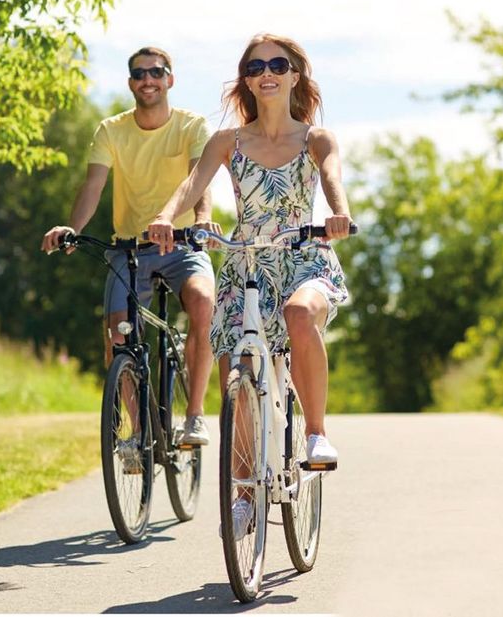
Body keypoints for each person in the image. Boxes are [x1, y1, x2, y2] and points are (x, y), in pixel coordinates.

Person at [147, 33, 353, 466]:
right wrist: (166, 217)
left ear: (295, 76)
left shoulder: (316, 138)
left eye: (277, 66)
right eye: (256, 68)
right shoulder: (228, 141)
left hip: (304, 255)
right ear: (247, 80)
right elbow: (191, 185)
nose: (267, 75)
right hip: (247, 263)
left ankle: (316, 434)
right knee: (238, 366)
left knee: (300, 314)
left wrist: (338, 213)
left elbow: (332, 177)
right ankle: (241, 495)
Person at [41, 46, 218, 447]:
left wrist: (202, 220)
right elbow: (93, 186)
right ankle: (138, 434)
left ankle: (194, 417)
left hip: (182, 244)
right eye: (139, 74)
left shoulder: (192, 126)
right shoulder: (112, 130)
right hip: (130, 250)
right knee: (119, 336)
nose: (147, 79)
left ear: (170, 79)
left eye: (156, 72)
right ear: (130, 83)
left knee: (204, 303)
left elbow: (199, 182)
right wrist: (72, 226)